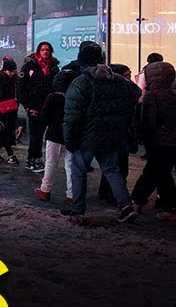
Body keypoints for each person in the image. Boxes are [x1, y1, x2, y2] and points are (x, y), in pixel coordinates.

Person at [61, 41, 142, 222]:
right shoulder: (118, 79)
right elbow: (136, 93)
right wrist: (118, 115)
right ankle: (126, 206)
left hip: (86, 136)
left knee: (78, 170)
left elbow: (72, 115)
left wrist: (69, 139)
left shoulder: (81, 82)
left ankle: (77, 208)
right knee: (112, 169)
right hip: (111, 135)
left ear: (82, 61)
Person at [130, 59, 176, 219]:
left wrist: (142, 136)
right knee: (163, 172)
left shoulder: (152, 96)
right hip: (172, 141)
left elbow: (149, 122)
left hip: (157, 141)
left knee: (152, 172)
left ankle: (138, 201)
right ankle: (168, 204)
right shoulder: (173, 93)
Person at [19, 42, 60, 172]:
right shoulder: (29, 66)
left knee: (40, 133)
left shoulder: (54, 67)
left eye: (47, 50)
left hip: (48, 106)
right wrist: (27, 106)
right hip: (34, 105)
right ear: (38, 51)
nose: (45, 52)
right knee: (36, 133)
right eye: (43, 50)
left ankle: (31, 158)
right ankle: (36, 159)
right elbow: (21, 88)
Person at [0, 57, 20, 165]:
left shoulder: (14, 81)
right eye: (10, 71)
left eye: (13, 71)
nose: (11, 73)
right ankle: (11, 155)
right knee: (5, 132)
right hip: (1, 111)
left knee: (6, 132)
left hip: (11, 110)